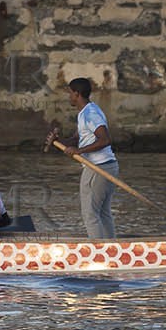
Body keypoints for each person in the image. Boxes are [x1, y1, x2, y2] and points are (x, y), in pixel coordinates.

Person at [46, 77, 118, 239]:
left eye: (70, 93)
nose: (68, 97)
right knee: (103, 212)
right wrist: (57, 141)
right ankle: (111, 249)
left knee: (90, 214)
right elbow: (75, 140)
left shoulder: (91, 114)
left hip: (97, 167)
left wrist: (79, 151)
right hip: (107, 166)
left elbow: (105, 140)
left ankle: (99, 254)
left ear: (77, 94)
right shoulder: (85, 113)